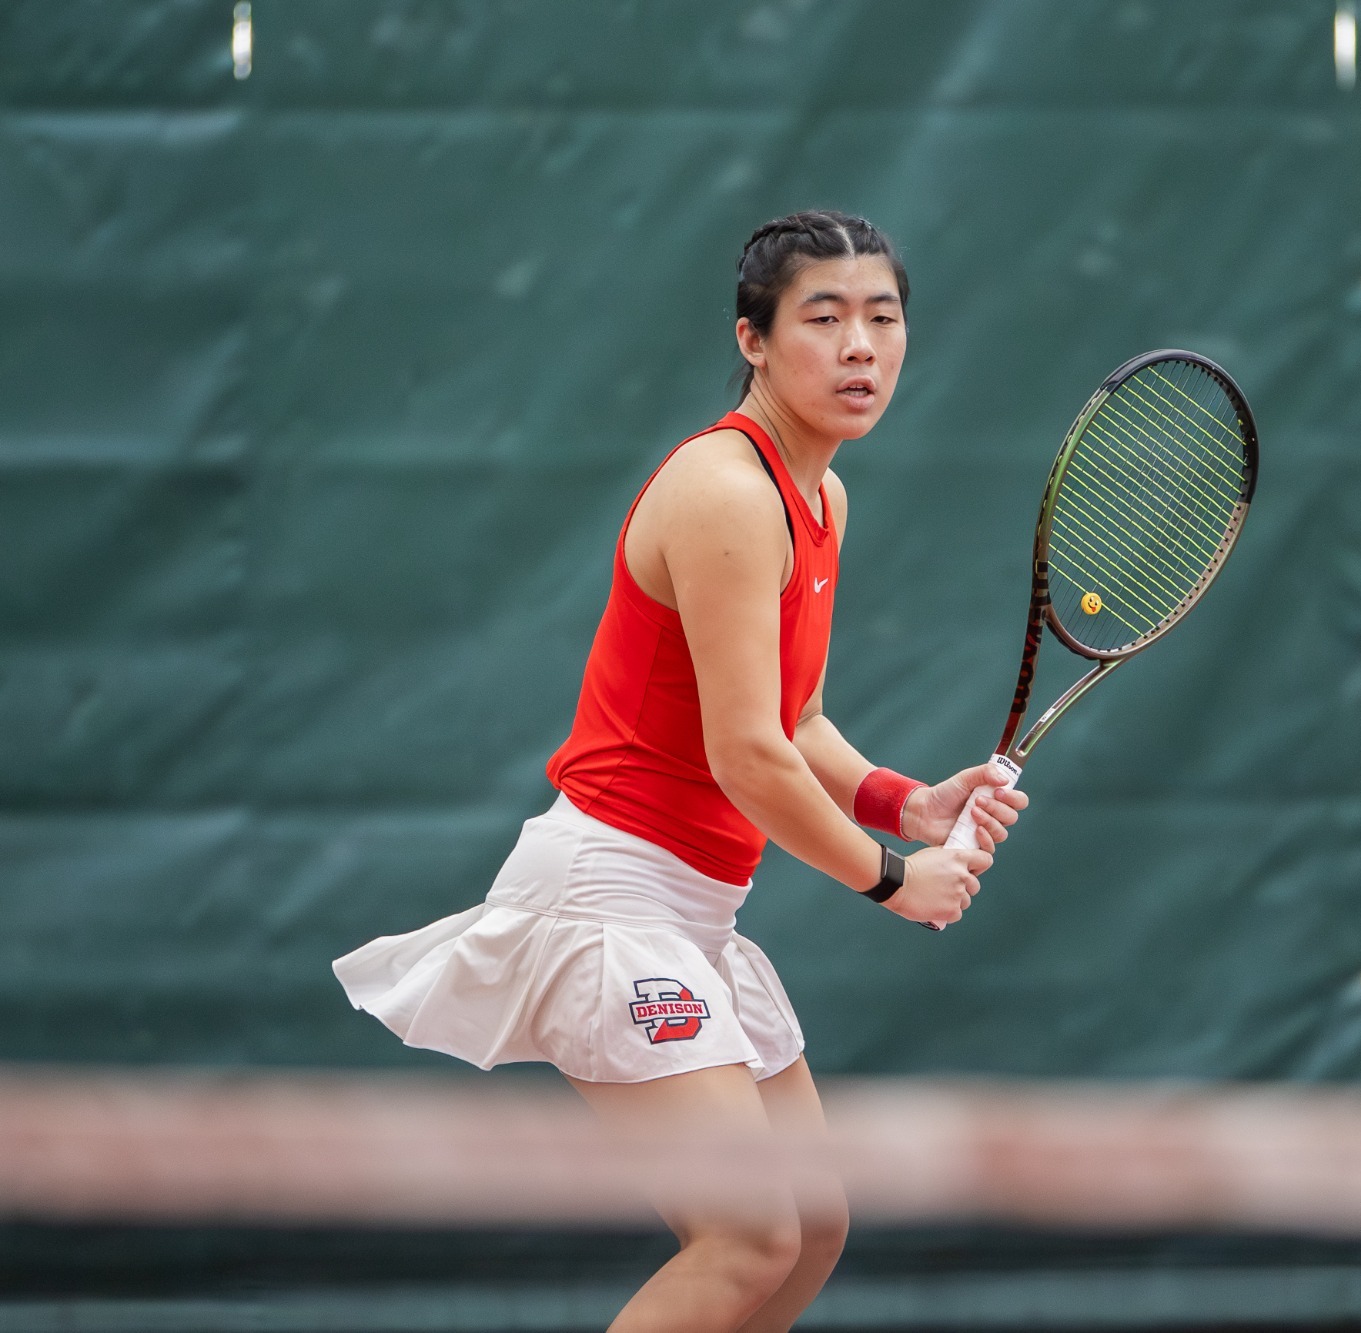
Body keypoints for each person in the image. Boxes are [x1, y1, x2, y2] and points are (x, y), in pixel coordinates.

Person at [333, 210, 1028, 1332]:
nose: (860, 346)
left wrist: (908, 803)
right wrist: (895, 880)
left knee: (809, 1228)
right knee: (748, 1238)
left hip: (696, 912)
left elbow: (795, 717)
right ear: (752, 339)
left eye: (883, 317)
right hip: (610, 901)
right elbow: (745, 754)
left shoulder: (821, 497)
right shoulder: (725, 489)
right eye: (824, 318)